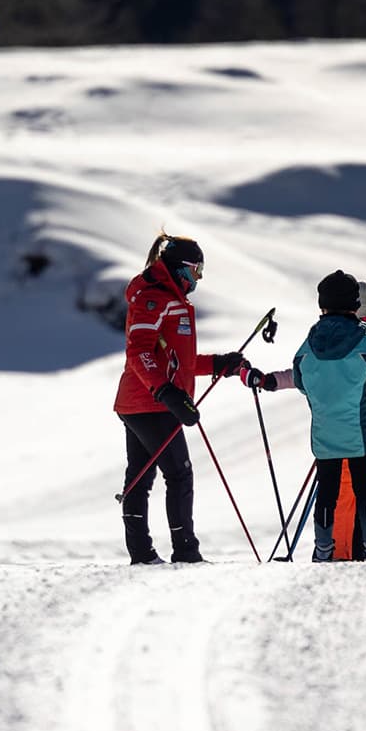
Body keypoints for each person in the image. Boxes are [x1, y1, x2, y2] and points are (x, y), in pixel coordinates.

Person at [113, 232, 249, 564]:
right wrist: (166, 392)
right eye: (196, 270)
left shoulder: (174, 300)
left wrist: (219, 364)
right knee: (178, 473)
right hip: (149, 403)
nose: (198, 279)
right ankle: (185, 551)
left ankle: (143, 553)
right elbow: (139, 351)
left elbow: (180, 363)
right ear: (180, 268)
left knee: (142, 475)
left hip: (148, 401)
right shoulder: (154, 299)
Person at [286, 270, 366, 562]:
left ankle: (324, 548)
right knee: (365, 489)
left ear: (322, 305)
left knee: (327, 490)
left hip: (324, 432)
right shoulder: (365, 343)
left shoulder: (309, 342)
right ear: (354, 304)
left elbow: (300, 379)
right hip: (360, 431)